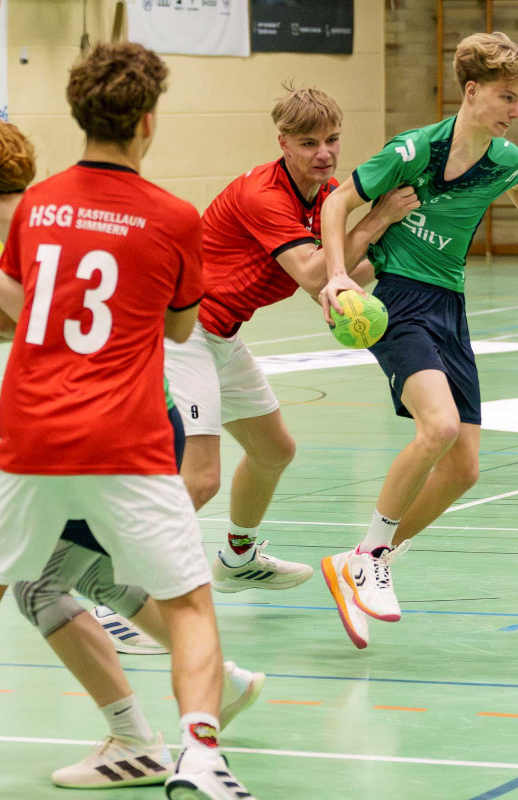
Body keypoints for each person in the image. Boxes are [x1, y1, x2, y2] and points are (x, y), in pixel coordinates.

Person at [0, 43, 256, 800]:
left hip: (33, 437)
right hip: (127, 438)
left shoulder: (38, 205)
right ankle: (201, 755)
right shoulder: (176, 218)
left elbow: (29, 311)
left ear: (77, 115)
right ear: (148, 122)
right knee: (187, 604)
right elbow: (180, 330)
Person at [315, 32, 518, 649]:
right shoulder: (413, 150)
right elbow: (337, 204)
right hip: (399, 300)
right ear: (472, 90)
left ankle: (363, 560)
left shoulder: (502, 159)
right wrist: (336, 275)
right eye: (508, 97)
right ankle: (370, 555)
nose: (517, 110)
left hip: (450, 305)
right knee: (436, 428)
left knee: (463, 468)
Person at [169, 84, 417, 594]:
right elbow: (312, 272)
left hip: (221, 334)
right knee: (200, 479)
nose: (324, 153)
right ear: (283, 142)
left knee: (274, 450)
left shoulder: (325, 197)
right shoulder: (264, 195)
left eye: (332, 139)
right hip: (179, 332)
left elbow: (335, 279)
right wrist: (378, 218)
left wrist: (397, 249)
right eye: (308, 143)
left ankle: (238, 558)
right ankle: (117, 587)